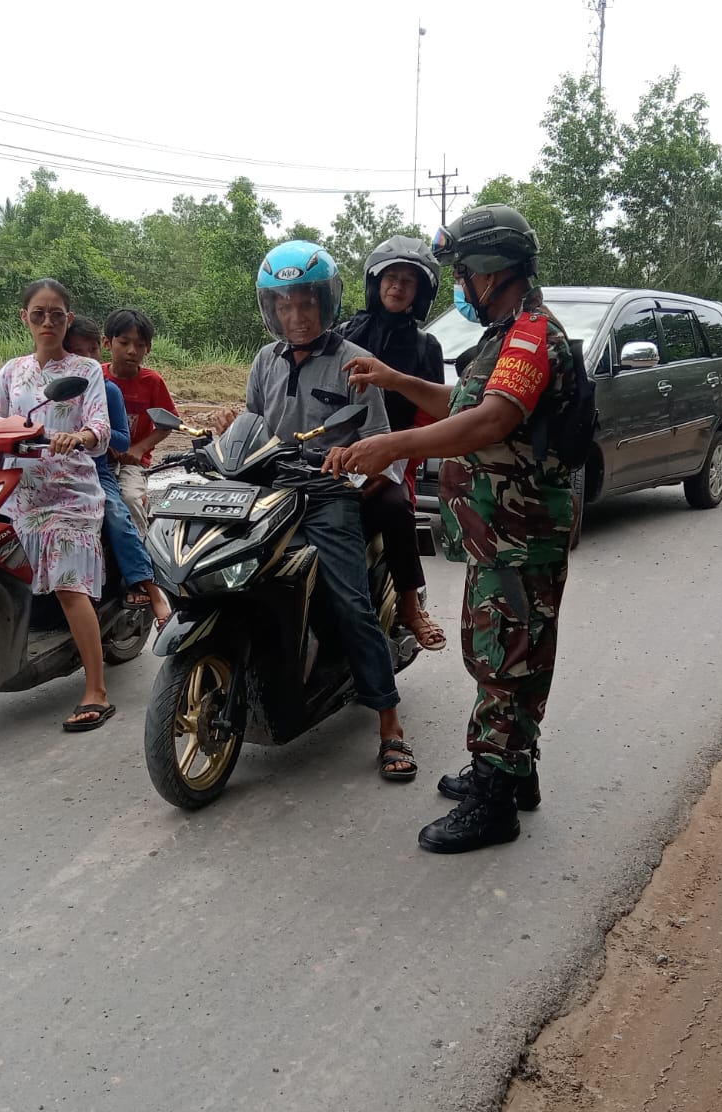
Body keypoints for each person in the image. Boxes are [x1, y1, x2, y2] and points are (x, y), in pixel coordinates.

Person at [325, 204, 575, 852]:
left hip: (518, 533)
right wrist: (394, 379)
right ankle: (512, 773)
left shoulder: (529, 337)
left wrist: (393, 445)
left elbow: (490, 421)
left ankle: (495, 803)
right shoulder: (503, 335)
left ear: (493, 271)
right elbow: (458, 402)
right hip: (501, 533)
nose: (460, 285)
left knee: (504, 660)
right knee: (505, 654)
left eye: (465, 272)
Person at [210, 240, 417, 782]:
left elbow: (381, 444)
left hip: (328, 499)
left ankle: (390, 725)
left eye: (305, 303)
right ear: (270, 308)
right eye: (284, 305)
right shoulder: (263, 360)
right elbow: (253, 426)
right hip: (268, 492)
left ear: (325, 304)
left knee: (350, 601)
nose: (295, 316)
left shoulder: (355, 363)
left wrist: (352, 465)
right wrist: (228, 431)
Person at [0, 279, 117, 732]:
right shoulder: (11, 371)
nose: (47, 322)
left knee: (67, 584)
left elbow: (99, 425)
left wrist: (77, 436)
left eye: (56, 314)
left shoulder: (86, 370)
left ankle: (96, 688)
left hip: (69, 494)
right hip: (17, 491)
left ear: (68, 319)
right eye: (38, 313)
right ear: (24, 318)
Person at [336, 236, 448, 652]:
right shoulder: (344, 333)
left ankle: (409, 605)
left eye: (408, 281)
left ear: (420, 293)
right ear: (374, 283)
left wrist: (398, 460)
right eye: (390, 278)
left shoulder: (425, 347)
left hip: (395, 457)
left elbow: (430, 414)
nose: (397, 287)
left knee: (396, 507)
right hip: (336, 451)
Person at [62, 315, 171, 627]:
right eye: (124, 343)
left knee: (122, 504)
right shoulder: (56, 386)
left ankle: (145, 581)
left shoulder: (111, 388)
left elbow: (130, 434)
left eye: (91, 351)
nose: (131, 350)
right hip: (67, 467)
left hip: (114, 464)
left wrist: (120, 444)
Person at [102, 308, 178, 541]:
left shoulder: (152, 382)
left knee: (130, 499)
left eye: (140, 345)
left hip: (132, 464)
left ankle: (141, 553)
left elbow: (168, 423)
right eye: (124, 342)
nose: (132, 351)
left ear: (149, 348)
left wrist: (139, 449)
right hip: (98, 459)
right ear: (107, 343)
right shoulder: (96, 376)